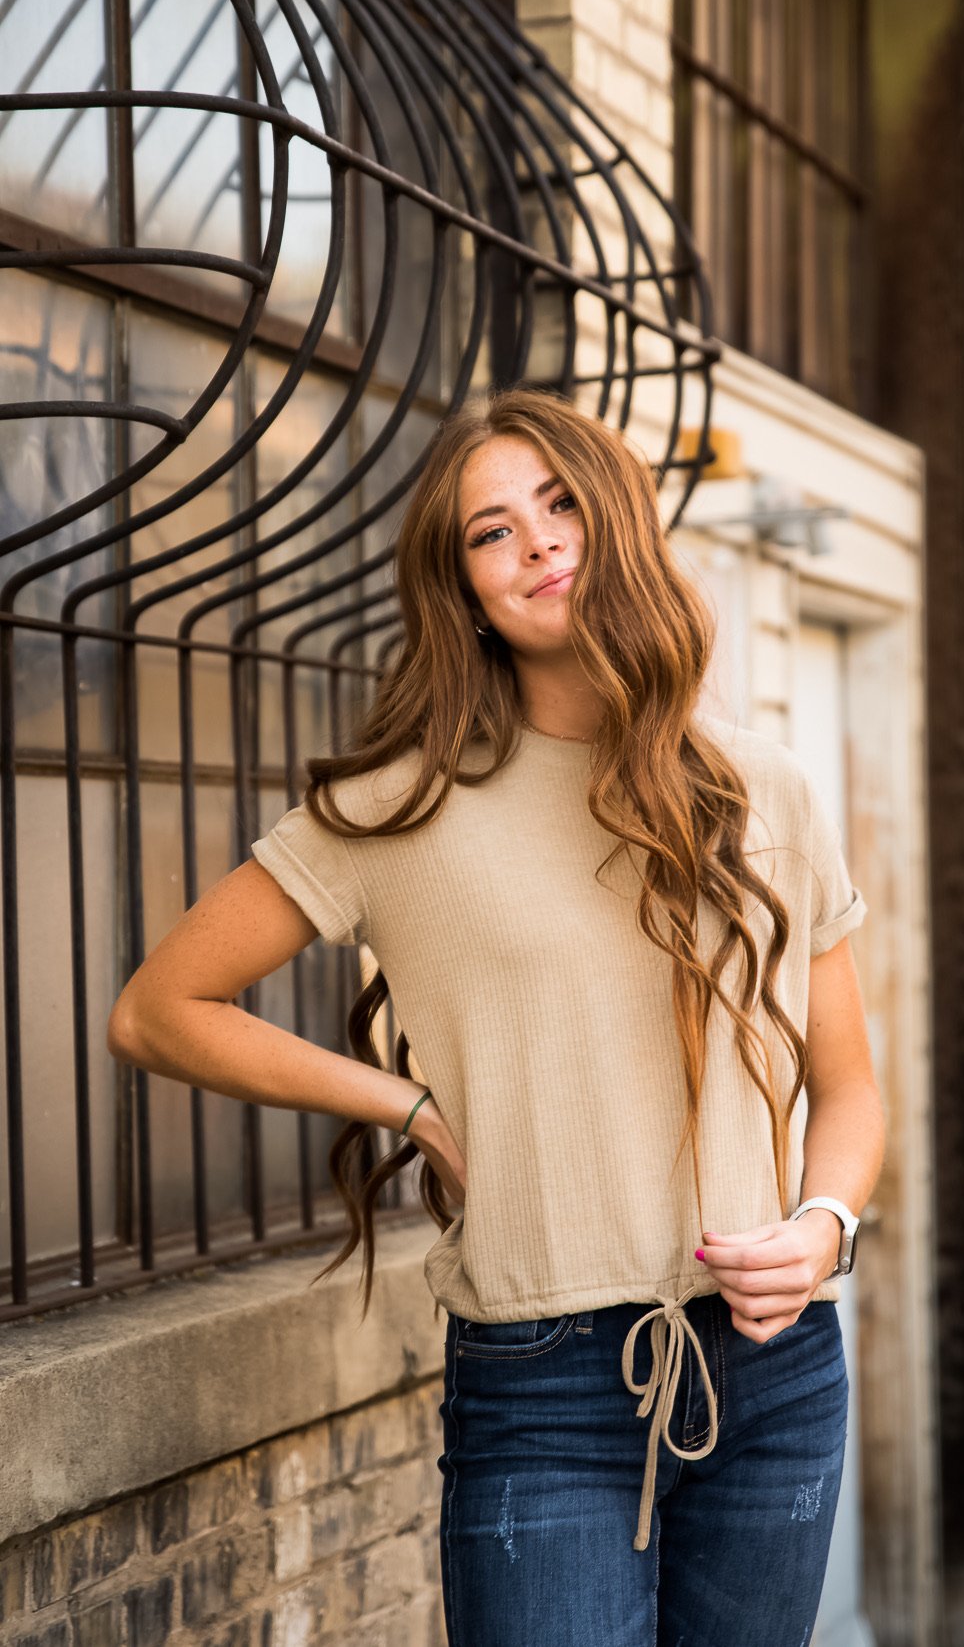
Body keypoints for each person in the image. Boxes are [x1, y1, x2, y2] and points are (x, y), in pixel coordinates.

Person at [108, 385, 885, 1647]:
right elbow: (158, 1011)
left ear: (617, 520)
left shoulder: (767, 789)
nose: (537, 543)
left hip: (778, 1368)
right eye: (491, 531)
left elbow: (849, 1090)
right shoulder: (398, 809)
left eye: (561, 503)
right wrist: (411, 1107)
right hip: (545, 1388)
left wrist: (825, 1225)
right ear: (465, 589)